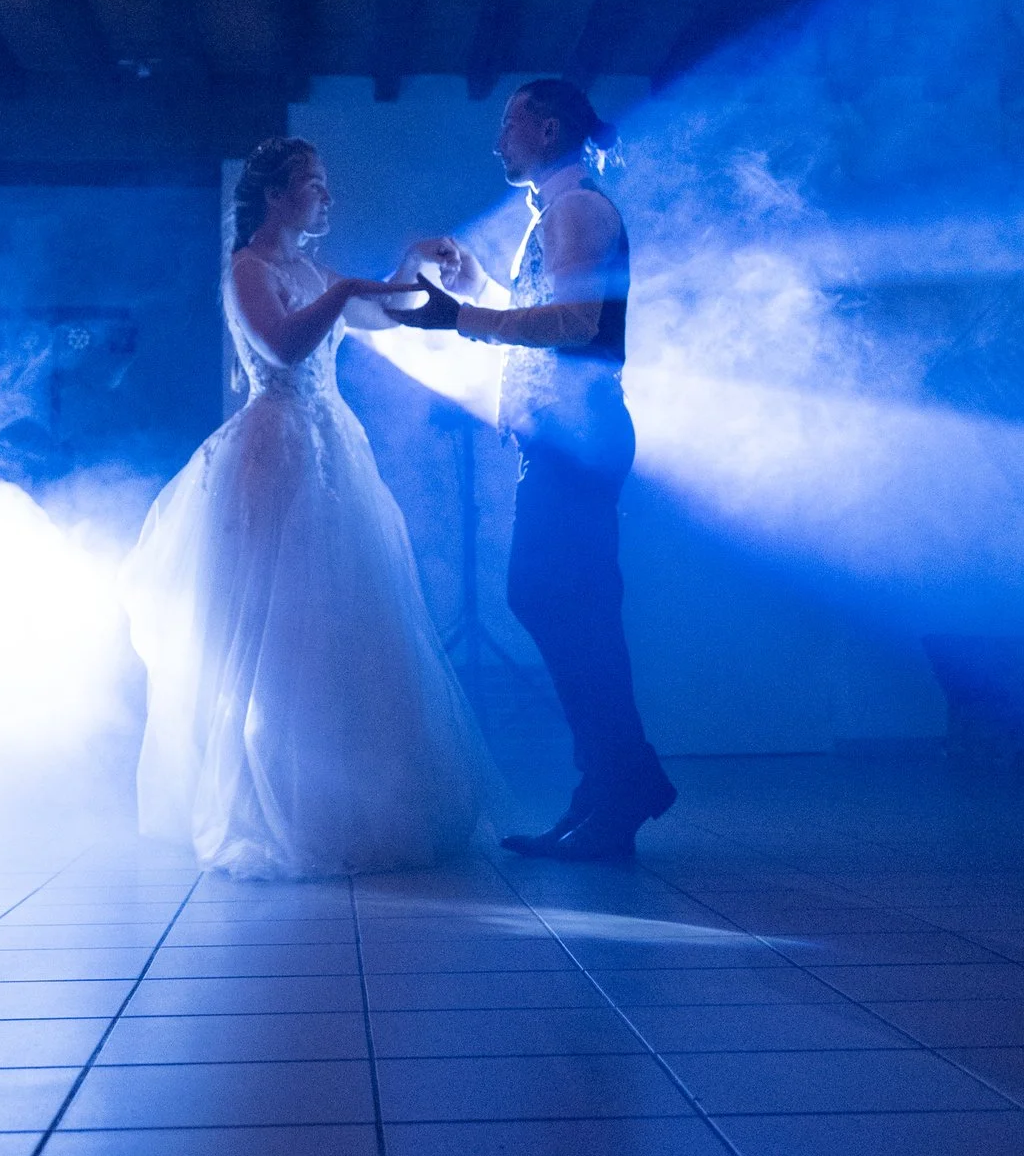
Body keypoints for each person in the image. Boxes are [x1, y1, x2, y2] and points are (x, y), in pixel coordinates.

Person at [122, 137, 495, 879]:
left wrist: (407, 270)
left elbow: (377, 318)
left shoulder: (309, 268)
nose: (326, 197)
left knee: (351, 622)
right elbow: (285, 345)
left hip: (332, 446)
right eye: (314, 185)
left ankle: (359, 796)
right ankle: (280, 803)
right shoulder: (249, 269)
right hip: (278, 450)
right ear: (276, 195)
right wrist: (347, 289)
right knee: (280, 626)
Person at [390, 79, 676, 861]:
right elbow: (553, 311)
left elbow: (578, 324)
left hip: (576, 438)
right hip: (565, 439)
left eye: (508, 123)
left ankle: (622, 778)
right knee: (572, 605)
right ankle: (613, 783)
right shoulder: (560, 214)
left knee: (557, 600)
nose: (497, 141)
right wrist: (476, 283)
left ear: (547, 127)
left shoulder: (579, 209)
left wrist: (464, 320)